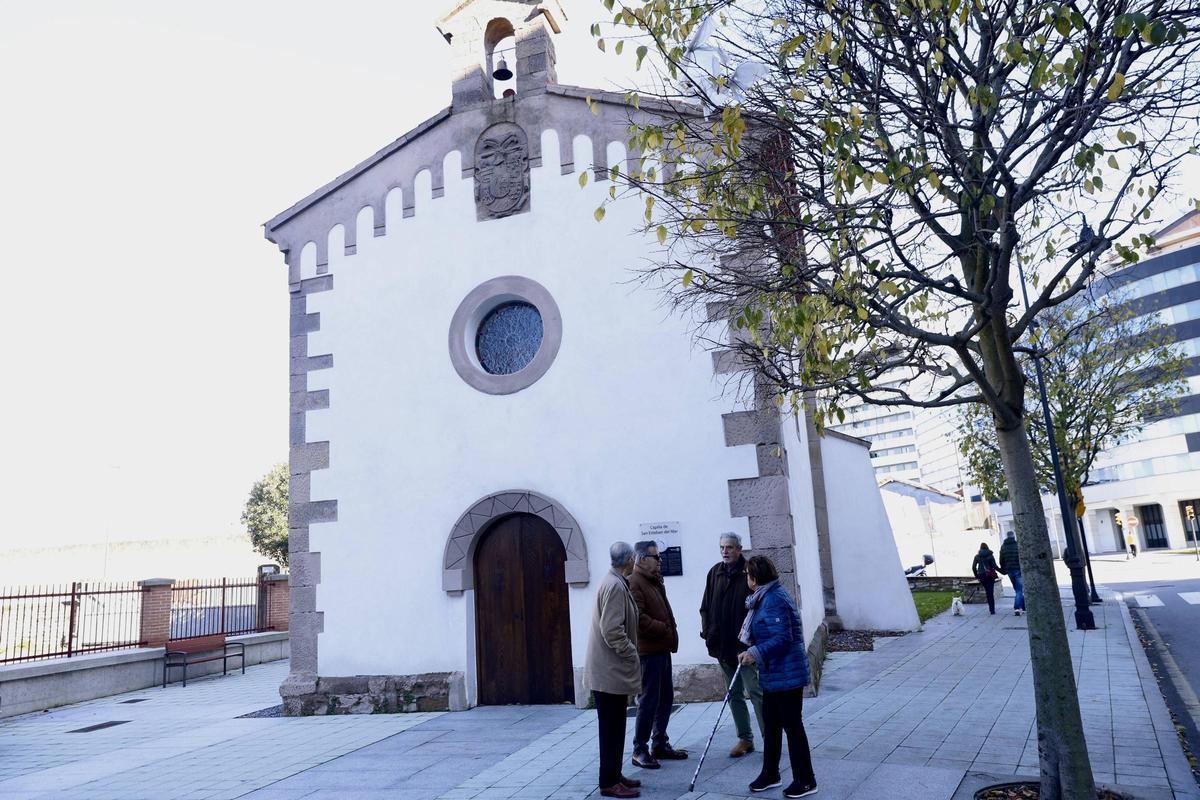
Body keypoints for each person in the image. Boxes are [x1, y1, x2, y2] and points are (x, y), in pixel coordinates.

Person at [737, 555, 817, 799]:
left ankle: (805, 780)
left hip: (787, 674)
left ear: (755, 577)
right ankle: (770, 774)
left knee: (793, 727)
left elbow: (783, 638)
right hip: (774, 673)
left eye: (748, 574)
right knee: (771, 726)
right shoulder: (764, 597)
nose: (746, 579)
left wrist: (755, 652)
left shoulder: (773, 599)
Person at [583, 542, 644, 798]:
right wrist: (631, 652)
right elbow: (611, 630)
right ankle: (608, 782)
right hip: (609, 671)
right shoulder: (615, 585)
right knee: (611, 728)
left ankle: (614, 774)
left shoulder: (615, 581)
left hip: (610, 671)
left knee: (616, 726)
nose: (636, 562)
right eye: (635, 559)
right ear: (629, 559)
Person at [700, 532, 765, 757]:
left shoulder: (750, 572)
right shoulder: (714, 573)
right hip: (723, 646)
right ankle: (745, 739)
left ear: (739, 549)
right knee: (733, 694)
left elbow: (759, 608)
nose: (725, 551)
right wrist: (709, 634)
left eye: (729, 547)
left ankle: (770, 738)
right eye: (722, 548)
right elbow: (705, 607)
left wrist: (755, 643)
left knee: (757, 693)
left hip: (745, 648)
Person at [628, 540, 687, 768]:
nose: (660, 561)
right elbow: (638, 618)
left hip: (661, 649)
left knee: (665, 699)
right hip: (648, 652)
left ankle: (659, 743)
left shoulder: (653, 581)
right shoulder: (635, 582)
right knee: (648, 701)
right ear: (642, 559)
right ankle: (639, 749)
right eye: (656, 557)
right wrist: (663, 628)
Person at [999, 531, 1025, 616]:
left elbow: (1001, 560)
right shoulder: (1018, 545)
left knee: (1017, 589)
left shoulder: (1003, 547)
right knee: (1019, 590)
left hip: (1009, 570)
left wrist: (1004, 569)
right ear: (1013, 536)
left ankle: (1024, 607)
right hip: (1018, 569)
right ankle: (1017, 608)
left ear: (1007, 536)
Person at [971, 542, 1001, 614]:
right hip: (990, 575)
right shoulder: (990, 555)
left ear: (980, 548)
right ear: (987, 547)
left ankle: (990, 608)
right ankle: (992, 610)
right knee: (990, 592)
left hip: (982, 576)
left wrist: (977, 576)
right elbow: (995, 566)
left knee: (987, 592)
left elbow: (973, 567)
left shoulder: (977, 556)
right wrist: (1002, 571)